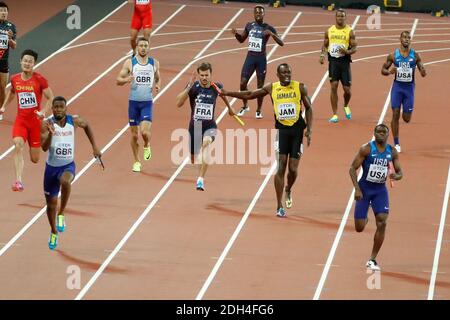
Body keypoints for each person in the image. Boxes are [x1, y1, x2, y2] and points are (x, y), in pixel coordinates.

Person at [221, 63, 313, 217]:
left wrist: (309, 129)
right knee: (281, 166)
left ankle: (288, 189)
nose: (287, 75)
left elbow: (309, 108)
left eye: (289, 72)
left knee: (293, 169)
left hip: (297, 132)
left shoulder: (300, 87)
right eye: (283, 73)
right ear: (277, 74)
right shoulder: (272, 87)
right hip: (282, 131)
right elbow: (250, 94)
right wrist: (228, 93)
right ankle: (279, 206)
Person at [41, 96, 101, 250]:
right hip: (51, 170)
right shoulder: (46, 124)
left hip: (67, 165)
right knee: (50, 206)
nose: (58, 110)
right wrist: (51, 134)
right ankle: (53, 231)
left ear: (66, 108)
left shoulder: (73, 121)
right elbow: (44, 148)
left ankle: (61, 213)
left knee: (65, 182)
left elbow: (87, 125)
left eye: (61, 107)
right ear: (52, 109)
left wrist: (94, 146)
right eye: (56, 107)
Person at [349, 124, 403, 271]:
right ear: (374, 133)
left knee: (382, 222)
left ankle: (372, 259)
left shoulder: (391, 152)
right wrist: (357, 189)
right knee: (359, 228)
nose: (380, 134)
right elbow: (352, 168)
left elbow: (400, 172)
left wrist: (396, 176)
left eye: (384, 132)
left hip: (380, 191)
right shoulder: (366, 149)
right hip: (365, 190)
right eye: (378, 132)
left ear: (387, 135)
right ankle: (365, 216)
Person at [176, 62, 235, 191]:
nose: (204, 78)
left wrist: (230, 108)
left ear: (211, 74)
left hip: (210, 126)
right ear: (198, 74)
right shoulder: (194, 87)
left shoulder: (216, 87)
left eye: (206, 75)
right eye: (201, 75)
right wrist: (188, 87)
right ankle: (196, 159)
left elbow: (223, 95)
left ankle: (200, 180)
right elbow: (178, 103)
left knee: (207, 143)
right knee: (193, 156)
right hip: (195, 126)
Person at [0, 49, 54, 191]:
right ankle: (18, 181)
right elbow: (12, 93)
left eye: (30, 61)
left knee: (35, 159)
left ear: (34, 63)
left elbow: (51, 98)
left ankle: (47, 134)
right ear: (20, 61)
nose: (27, 63)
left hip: (35, 123)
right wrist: (4, 106)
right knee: (17, 144)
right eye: (25, 60)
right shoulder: (15, 78)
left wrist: (43, 111)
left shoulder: (40, 80)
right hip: (21, 121)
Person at [232, 5, 284, 119]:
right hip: (250, 58)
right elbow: (241, 40)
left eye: (260, 13)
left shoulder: (268, 27)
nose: (258, 15)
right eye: (256, 13)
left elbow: (281, 43)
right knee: (242, 83)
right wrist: (236, 34)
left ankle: (259, 110)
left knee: (260, 87)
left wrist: (271, 34)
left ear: (264, 14)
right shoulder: (249, 25)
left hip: (261, 60)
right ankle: (245, 106)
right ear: (254, 14)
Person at [116, 37, 160, 172]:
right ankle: (136, 161)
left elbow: (158, 77)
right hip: (133, 103)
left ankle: (147, 145)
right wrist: (126, 79)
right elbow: (118, 80)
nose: (143, 48)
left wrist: (157, 85)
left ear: (149, 48)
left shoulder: (154, 63)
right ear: (136, 48)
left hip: (146, 103)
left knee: (145, 132)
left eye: (145, 45)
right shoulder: (130, 63)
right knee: (134, 135)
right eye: (141, 45)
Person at [381, 31, 426, 153]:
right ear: (400, 39)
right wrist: (390, 71)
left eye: (409, 38)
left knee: (406, 118)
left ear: (410, 40)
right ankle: (396, 143)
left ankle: (405, 109)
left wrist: (423, 71)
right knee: (395, 113)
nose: (406, 39)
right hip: (397, 88)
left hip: (409, 89)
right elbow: (383, 70)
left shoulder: (415, 56)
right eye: (404, 37)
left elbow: (422, 69)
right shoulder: (393, 55)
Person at [319, 9, 357, 123]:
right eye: (339, 16)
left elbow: (355, 48)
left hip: (344, 62)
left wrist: (347, 52)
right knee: (333, 86)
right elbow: (325, 44)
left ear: (345, 18)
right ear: (336, 17)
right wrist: (322, 55)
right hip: (333, 62)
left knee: (347, 90)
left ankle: (345, 105)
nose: (340, 18)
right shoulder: (330, 30)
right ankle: (335, 114)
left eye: (343, 16)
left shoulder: (350, 31)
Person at [0, 1, 16, 121]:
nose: (3, 13)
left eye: (5, 11)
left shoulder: (11, 27)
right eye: (1, 11)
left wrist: (10, 38)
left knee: (2, 88)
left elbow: (14, 46)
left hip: (3, 62)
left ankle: (0, 110)